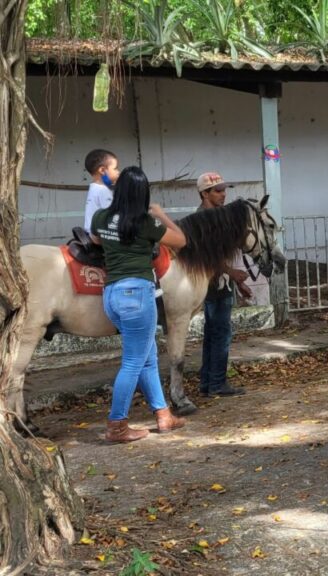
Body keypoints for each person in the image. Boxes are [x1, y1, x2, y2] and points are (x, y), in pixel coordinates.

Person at [90, 167, 187, 442]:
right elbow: (181, 240)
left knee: (147, 357)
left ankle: (163, 415)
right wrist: (161, 215)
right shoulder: (145, 222)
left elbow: (96, 239)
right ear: (142, 193)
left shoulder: (100, 217)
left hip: (111, 295)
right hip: (137, 294)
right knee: (133, 361)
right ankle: (117, 424)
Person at [196, 172, 251, 397]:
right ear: (204, 194)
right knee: (220, 333)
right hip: (213, 285)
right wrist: (233, 274)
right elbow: (208, 256)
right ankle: (217, 384)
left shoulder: (218, 216)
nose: (223, 194)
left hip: (222, 283)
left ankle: (208, 383)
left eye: (224, 189)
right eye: (217, 191)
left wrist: (235, 282)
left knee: (214, 333)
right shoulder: (202, 219)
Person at [83, 149, 120, 235]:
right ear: (102, 170)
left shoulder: (94, 187)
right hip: (98, 236)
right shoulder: (103, 190)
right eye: (115, 168)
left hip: (90, 233)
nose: (118, 172)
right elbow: (113, 217)